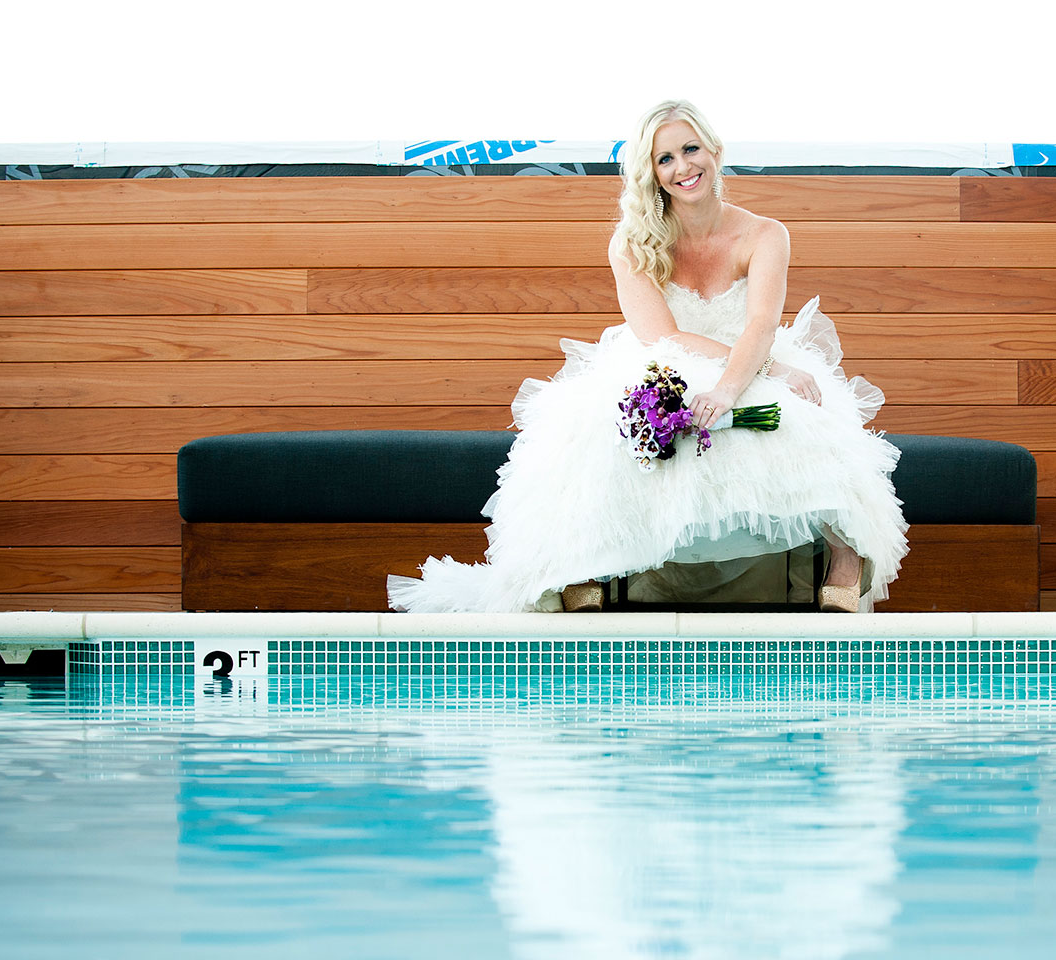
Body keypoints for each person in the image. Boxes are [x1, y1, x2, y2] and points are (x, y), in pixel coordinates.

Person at [387, 99, 907, 613]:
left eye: (690, 149)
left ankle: (845, 556)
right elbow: (663, 335)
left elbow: (761, 325)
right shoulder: (631, 242)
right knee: (596, 423)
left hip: (751, 354)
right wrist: (744, 378)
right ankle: (579, 566)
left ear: (715, 151)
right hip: (666, 356)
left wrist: (739, 382)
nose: (683, 167)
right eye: (665, 159)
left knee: (807, 412)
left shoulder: (766, 234)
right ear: (652, 174)